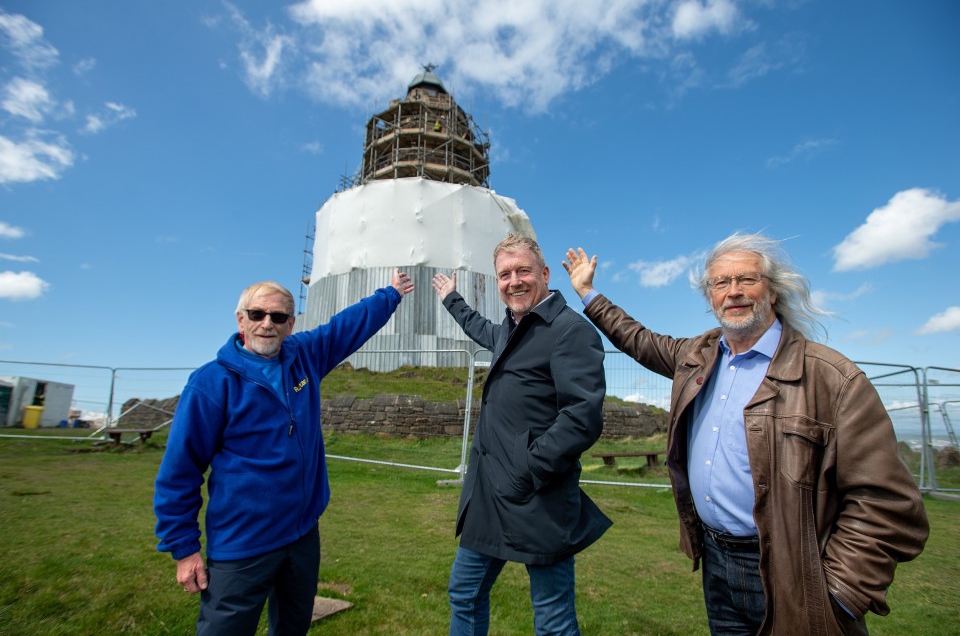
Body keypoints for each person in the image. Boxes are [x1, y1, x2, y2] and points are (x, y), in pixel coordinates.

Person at [562, 233, 929, 635]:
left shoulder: (832, 378)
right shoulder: (696, 357)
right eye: (721, 283)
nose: (733, 291)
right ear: (710, 297)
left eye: (747, 280)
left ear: (773, 292)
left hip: (794, 573)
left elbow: (886, 503)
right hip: (716, 562)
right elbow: (637, 339)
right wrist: (587, 292)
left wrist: (839, 593)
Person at [154, 270, 414, 636]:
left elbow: (345, 327)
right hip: (242, 544)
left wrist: (390, 294)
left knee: (293, 629)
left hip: (302, 536)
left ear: (291, 323)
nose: (267, 324)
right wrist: (184, 548)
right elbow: (180, 470)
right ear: (240, 319)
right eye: (257, 314)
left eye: (278, 317)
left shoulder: (303, 356)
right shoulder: (211, 383)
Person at [431, 234, 611, 636]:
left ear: (544, 274)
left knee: (552, 621)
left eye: (523, 271)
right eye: (504, 274)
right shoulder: (508, 332)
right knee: (464, 595)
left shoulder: (569, 331)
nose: (514, 281)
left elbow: (582, 416)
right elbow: (478, 327)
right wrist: (451, 299)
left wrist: (528, 468)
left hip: (539, 495)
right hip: (488, 496)